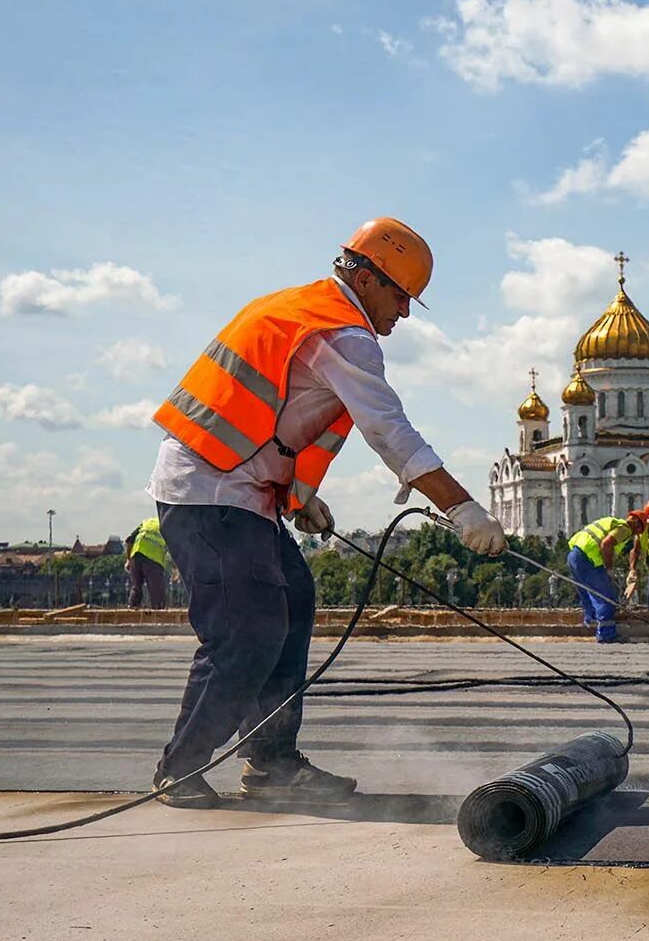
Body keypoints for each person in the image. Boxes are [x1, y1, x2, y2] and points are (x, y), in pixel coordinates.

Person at [145, 217, 506, 809]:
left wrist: (298, 495)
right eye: (400, 296)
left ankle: (271, 764)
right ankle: (179, 768)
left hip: (235, 488)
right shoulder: (343, 333)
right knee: (248, 630)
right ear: (365, 277)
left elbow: (276, 414)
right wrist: (460, 507)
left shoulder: (298, 308)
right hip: (209, 491)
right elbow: (390, 431)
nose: (405, 314)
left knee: (291, 604)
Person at [567, 510, 649, 643]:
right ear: (637, 524)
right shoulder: (624, 528)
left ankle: (591, 623)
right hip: (589, 559)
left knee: (587, 593)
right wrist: (609, 569)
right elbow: (606, 544)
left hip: (574, 555)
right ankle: (606, 634)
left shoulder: (609, 522)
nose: (636, 534)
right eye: (639, 531)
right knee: (606, 597)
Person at [122, 515, 171, 609]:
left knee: (136, 587)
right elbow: (175, 550)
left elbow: (129, 541)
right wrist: (175, 569)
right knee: (157, 590)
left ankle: (132, 611)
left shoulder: (146, 523)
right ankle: (159, 615)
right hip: (153, 559)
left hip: (136, 556)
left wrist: (128, 560)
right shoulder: (168, 526)